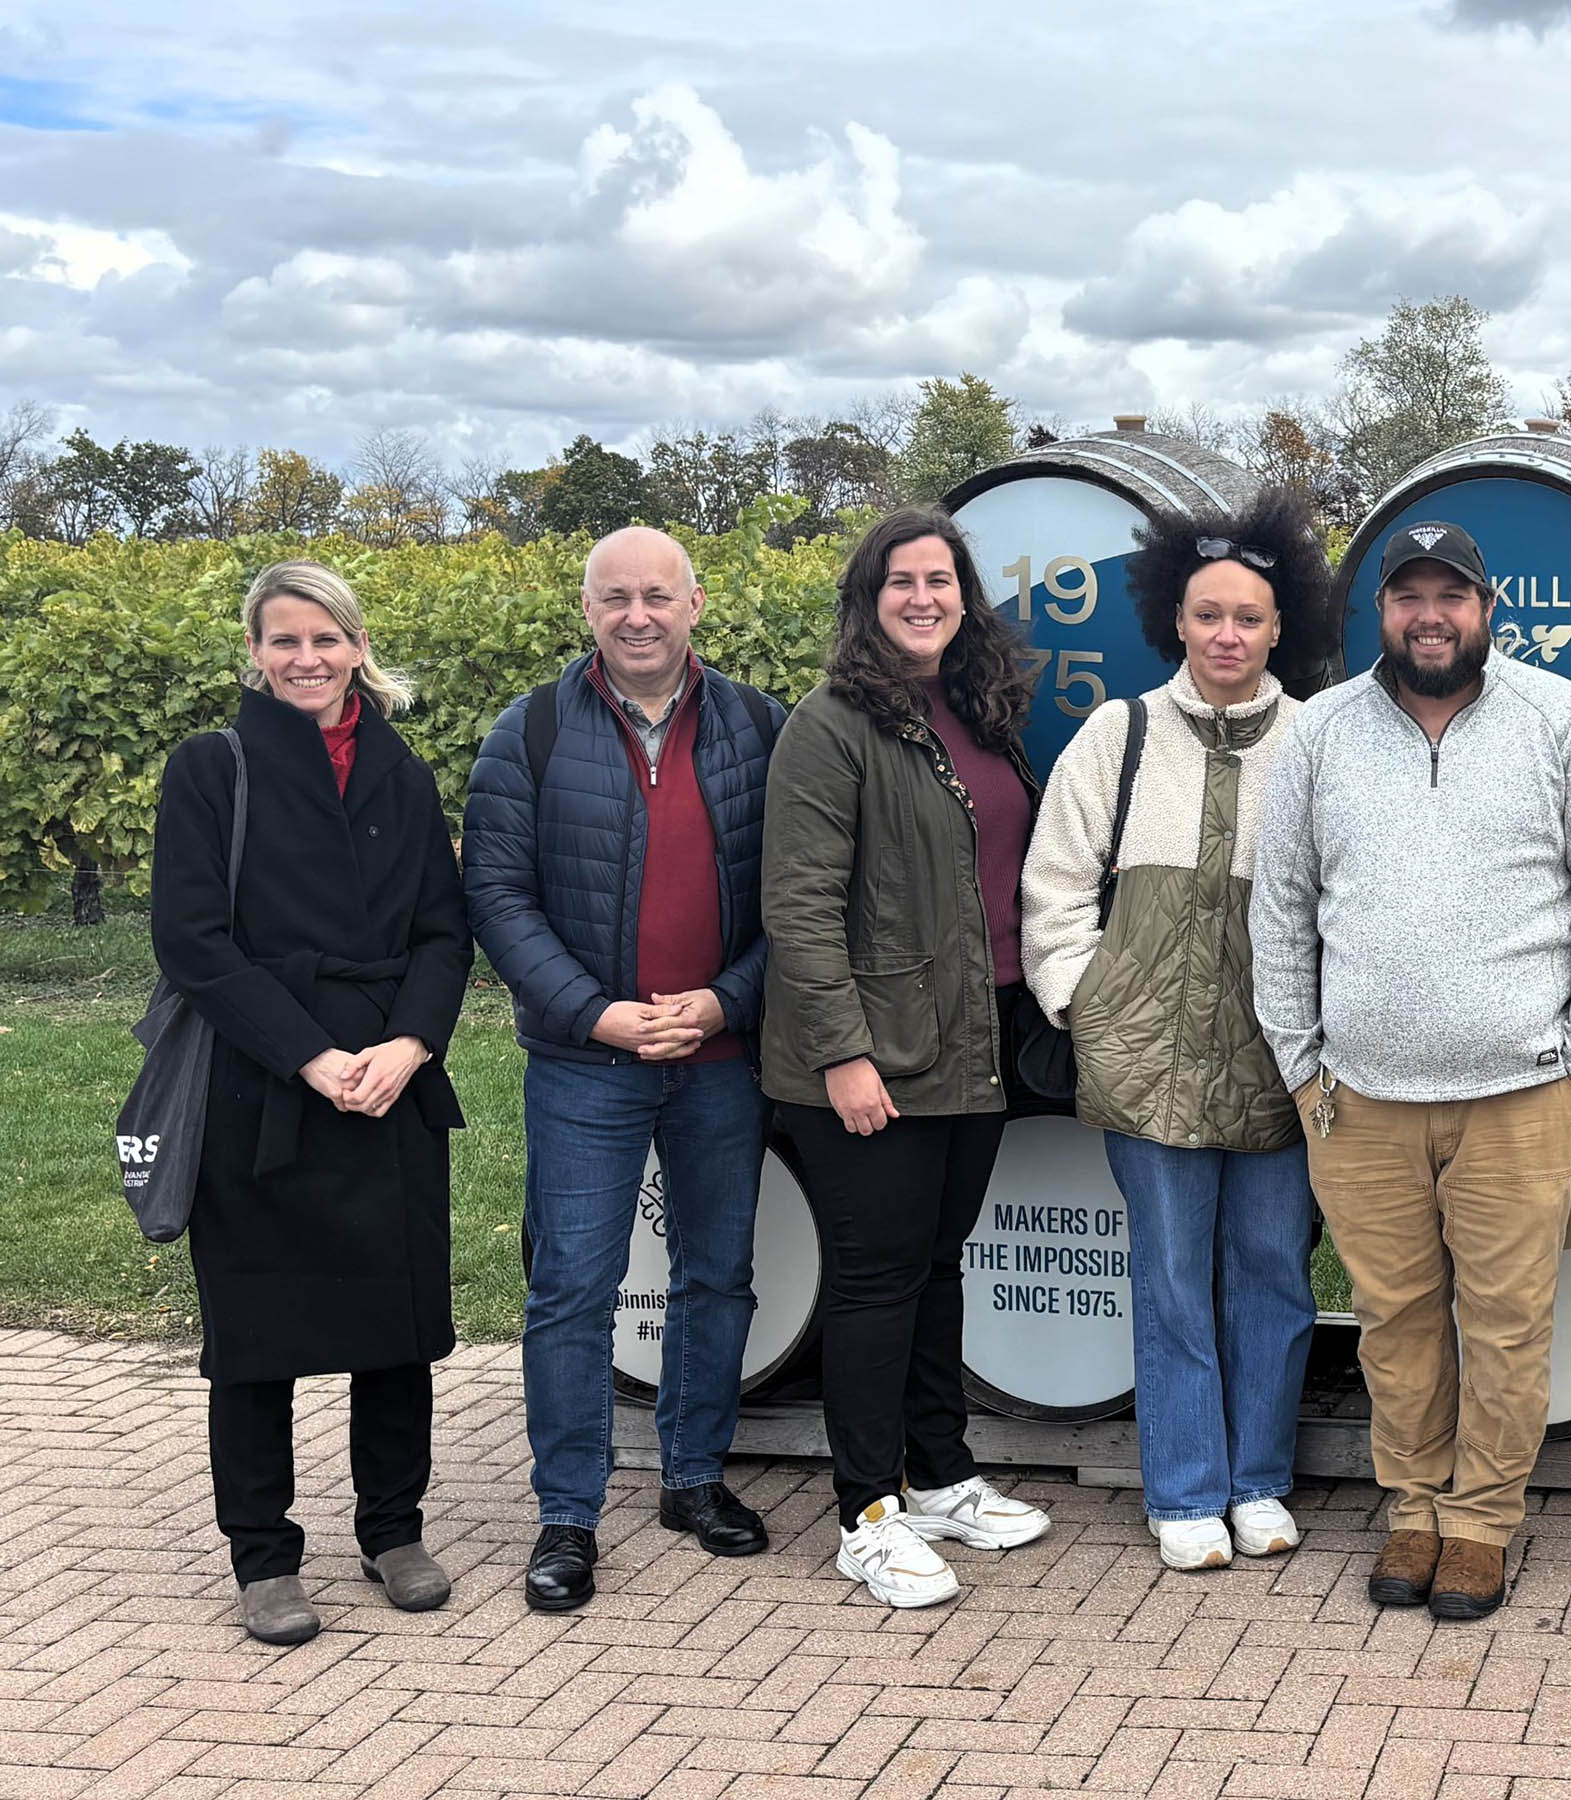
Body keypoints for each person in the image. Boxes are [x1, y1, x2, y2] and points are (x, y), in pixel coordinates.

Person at [1250, 519, 1571, 1622]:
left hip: (1521, 1094)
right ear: (1380, 612)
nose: (1430, 617)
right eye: (1408, 597)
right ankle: (1414, 1505)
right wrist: (1300, 1062)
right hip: (1358, 1097)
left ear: (1486, 608)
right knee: (1395, 1321)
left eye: (1451, 596)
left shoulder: (1562, 720)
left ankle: (1481, 1520)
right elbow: (1280, 908)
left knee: (1507, 1322)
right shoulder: (1322, 730)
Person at [1020, 488, 1341, 1574]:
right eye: (1209, 614)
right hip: (1145, 1059)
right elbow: (1054, 887)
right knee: (1168, 1277)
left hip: (1278, 1063)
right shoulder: (1118, 736)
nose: (1227, 635)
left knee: (1273, 1273)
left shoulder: (1317, 743)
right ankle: (1187, 1488)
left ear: (1279, 628)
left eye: (1248, 617)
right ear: (1176, 621)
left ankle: (1259, 1480)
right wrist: (1086, 1005)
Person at [465, 526, 786, 1614]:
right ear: (587, 609)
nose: (637, 615)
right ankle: (567, 1512)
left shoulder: (760, 726)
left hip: (720, 1055)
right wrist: (596, 1015)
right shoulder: (530, 732)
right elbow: (497, 898)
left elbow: (798, 894)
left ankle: (693, 1479)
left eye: (657, 595)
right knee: (571, 1289)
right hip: (584, 1063)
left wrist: (728, 999)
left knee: (717, 1275)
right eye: (616, 597)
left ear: (695, 605)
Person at [150, 561, 470, 1644]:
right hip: (261, 1084)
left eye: (326, 639)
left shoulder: (402, 771)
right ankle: (264, 1557)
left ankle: (393, 1530)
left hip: (390, 1080)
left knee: (397, 1324)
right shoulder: (212, 767)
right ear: (254, 651)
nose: (306, 659)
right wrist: (309, 1057)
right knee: (256, 1331)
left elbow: (443, 930)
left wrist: (411, 1043)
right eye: (284, 640)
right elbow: (192, 941)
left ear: (357, 646)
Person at [762, 508, 1054, 1608]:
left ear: (965, 599)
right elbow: (798, 905)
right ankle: (866, 1514)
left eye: (940, 580)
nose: (923, 598)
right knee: (877, 1282)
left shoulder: (979, 714)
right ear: (867, 599)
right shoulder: (830, 724)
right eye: (901, 582)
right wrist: (843, 1054)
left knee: (937, 1266)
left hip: (972, 1042)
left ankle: (937, 1475)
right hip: (875, 1055)